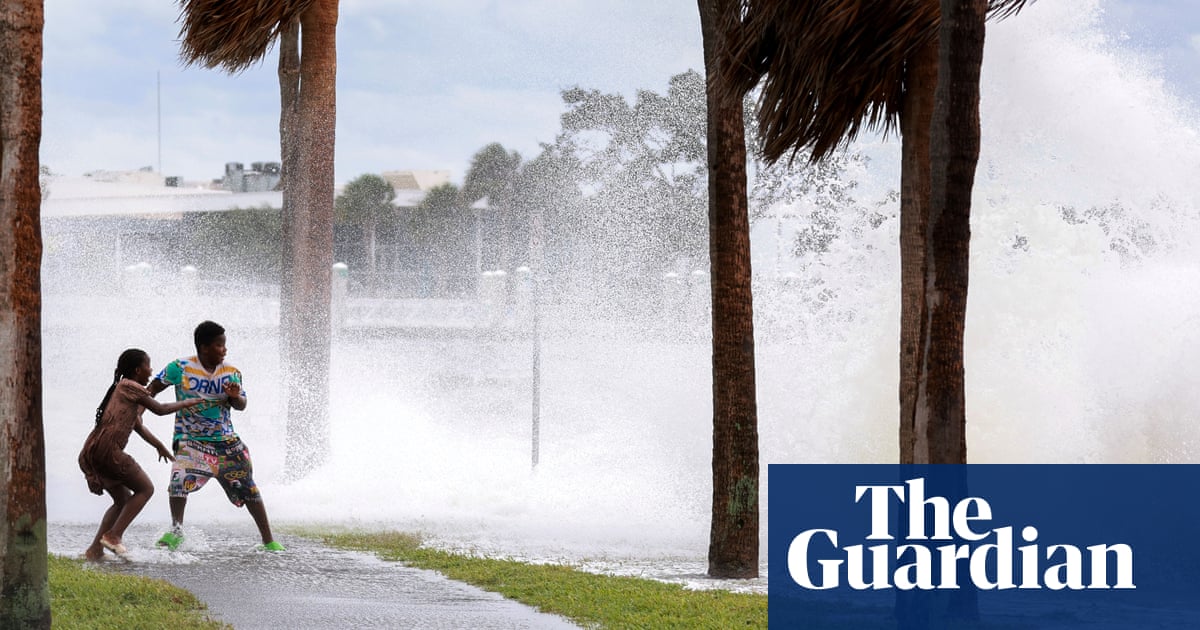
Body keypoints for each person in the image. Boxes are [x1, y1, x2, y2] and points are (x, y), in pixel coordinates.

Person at [148, 320, 285, 552]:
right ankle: (176, 532)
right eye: (220, 345)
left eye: (225, 345)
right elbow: (150, 391)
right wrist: (135, 411)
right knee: (178, 480)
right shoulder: (179, 368)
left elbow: (241, 405)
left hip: (226, 442)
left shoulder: (231, 373)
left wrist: (234, 396)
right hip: (191, 439)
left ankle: (268, 541)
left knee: (249, 489)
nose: (224, 350)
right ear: (204, 347)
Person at [79, 348, 203, 561]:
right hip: (109, 451)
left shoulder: (123, 391)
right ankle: (114, 535)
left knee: (122, 500)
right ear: (138, 370)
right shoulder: (131, 386)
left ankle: (94, 550)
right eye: (148, 366)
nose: (151, 370)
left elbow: (138, 426)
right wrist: (187, 402)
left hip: (93, 451)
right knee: (146, 489)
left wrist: (159, 446)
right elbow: (161, 409)